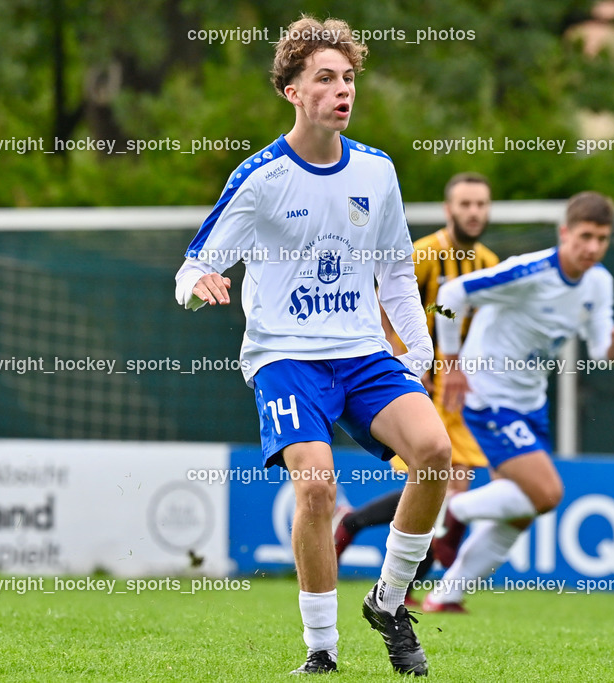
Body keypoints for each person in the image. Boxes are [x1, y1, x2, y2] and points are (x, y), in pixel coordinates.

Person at [173, 15, 449, 675]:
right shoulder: (261, 176)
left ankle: (388, 600)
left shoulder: (377, 172)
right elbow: (192, 266)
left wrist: (418, 355)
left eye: (348, 77)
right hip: (286, 355)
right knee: (318, 488)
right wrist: (198, 282)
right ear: (292, 90)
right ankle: (322, 650)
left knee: (436, 453)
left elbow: (394, 274)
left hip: (360, 354)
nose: (342, 89)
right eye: (325, 78)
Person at [422, 191, 614, 612]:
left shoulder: (599, 282)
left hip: (529, 402)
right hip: (488, 395)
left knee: (521, 511)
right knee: (546, 493)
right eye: (584, 236)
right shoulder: (529, 271)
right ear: (564, 233)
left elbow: (598, 349)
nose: (593, 247)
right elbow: (450, 295)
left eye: (601, 238)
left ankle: (447, 595)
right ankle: (456, 509)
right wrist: (449, 362)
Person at [334, 173, 498, 598]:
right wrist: (404, 364)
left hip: (460, 397)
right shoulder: (424, 253)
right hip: (419, 388)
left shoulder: (489, 264)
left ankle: (404, 584)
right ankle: (357, 531)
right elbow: (383, 309)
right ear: (449, 209)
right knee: (437, 485)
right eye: (465, 204)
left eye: (480, 204)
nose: (473, 212)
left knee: (447, 492)